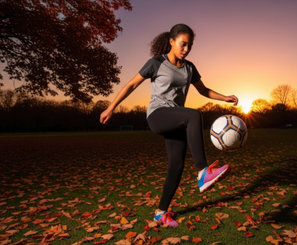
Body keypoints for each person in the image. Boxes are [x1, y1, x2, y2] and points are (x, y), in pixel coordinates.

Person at [99, 23, 238, 227]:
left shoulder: (190, 68)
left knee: (176, 167)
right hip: (157, 116)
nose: (186, 49)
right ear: (171, 42)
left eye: (189, 46)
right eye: (182, 44)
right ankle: (202, 172)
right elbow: (131, 85)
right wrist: (111, 107)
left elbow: (203, 90)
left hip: (176, 119)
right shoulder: (156, 63)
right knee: (193, 115)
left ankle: (160, 213)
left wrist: (225, 98)